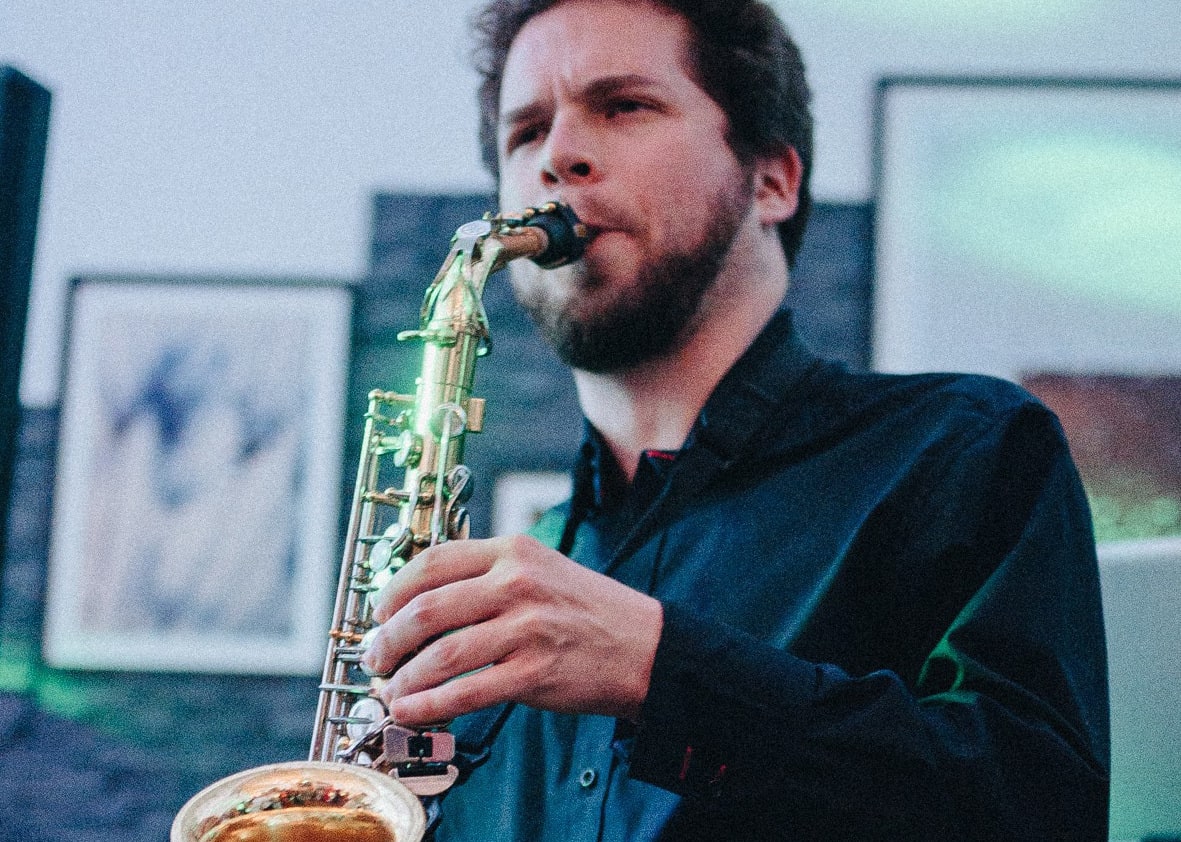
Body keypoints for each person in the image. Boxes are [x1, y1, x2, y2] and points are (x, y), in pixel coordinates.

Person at [362, 0, 1111, 838]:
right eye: (526, 131)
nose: (556, 157)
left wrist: (660, 670)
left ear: (771, 180)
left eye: (623, 106)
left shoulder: (962, 449)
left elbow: (1040, 810)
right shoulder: (504, 594)